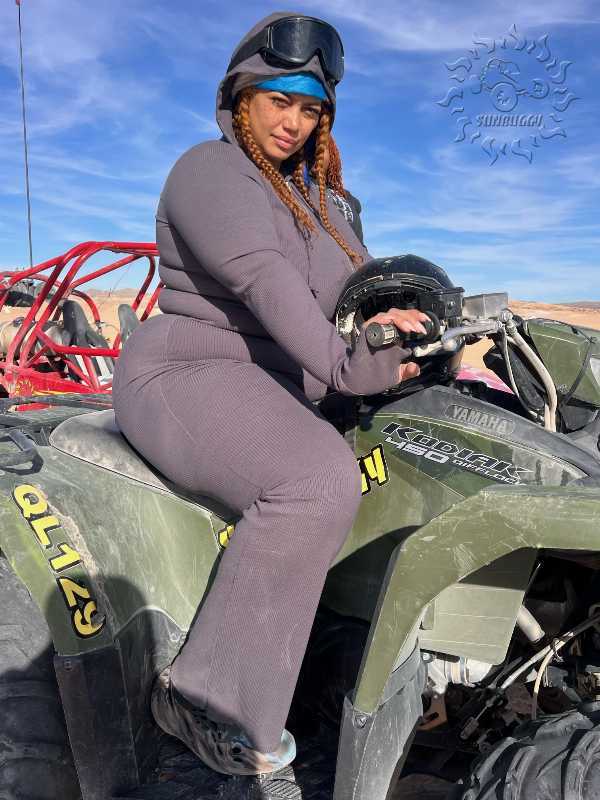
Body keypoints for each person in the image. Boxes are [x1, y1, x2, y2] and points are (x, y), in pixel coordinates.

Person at [112, 11, 429, 778]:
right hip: (190, 369)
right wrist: (350, 366)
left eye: (310, 108)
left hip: (281, 379)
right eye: (278, 100)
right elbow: (266, 283)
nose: (293, 121)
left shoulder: (322, 204)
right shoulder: (210, 172)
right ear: (241, 97)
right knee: (315, 478)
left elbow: (362, 289)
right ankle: (205, 699)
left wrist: (408, 323)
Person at [310, 134, 365, 245]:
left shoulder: (348, 198)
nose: (316, 153)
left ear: (331, 153)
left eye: (321, 148)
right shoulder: (295, 185)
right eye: (309, 149)